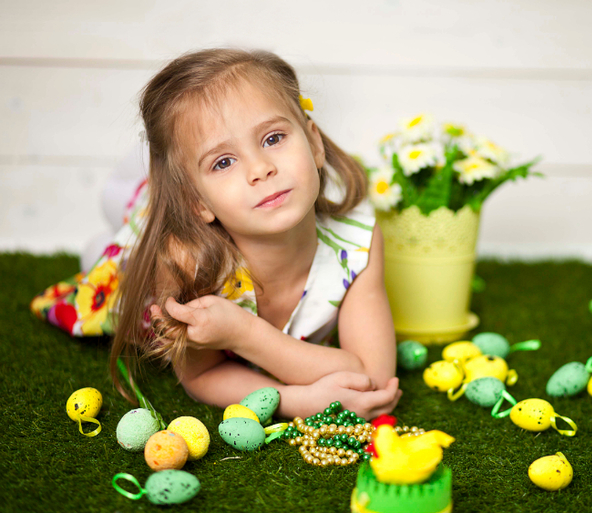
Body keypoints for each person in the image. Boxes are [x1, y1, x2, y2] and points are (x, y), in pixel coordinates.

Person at [33, 48, 401, 420]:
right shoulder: (185, 264)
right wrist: (292, 399)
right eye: (223, 162)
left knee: (164, 183)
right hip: (161, 238)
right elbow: (202, 374)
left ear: (314, 143)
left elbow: (372, 378)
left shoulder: (357, 244)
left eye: (273, 138)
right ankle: (133, 196)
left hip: (205, 202)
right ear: (196, 201)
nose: (260, 169)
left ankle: (165, 177)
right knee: (109, 258)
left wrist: (245, 335)